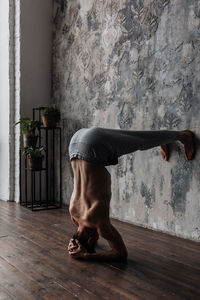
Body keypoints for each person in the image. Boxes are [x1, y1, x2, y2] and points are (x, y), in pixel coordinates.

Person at [67, 128, 195, 261]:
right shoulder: (74, 214)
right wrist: (75, 243)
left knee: (139, 141)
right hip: (76, 143)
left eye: (95, 240)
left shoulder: (100, 224)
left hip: (94, 147)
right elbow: (84, 234)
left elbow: (120, 253)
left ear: (90, 240)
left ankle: (183, 136)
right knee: (136, 140)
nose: (100, 238)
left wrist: (87, 256)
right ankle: (162, 140)